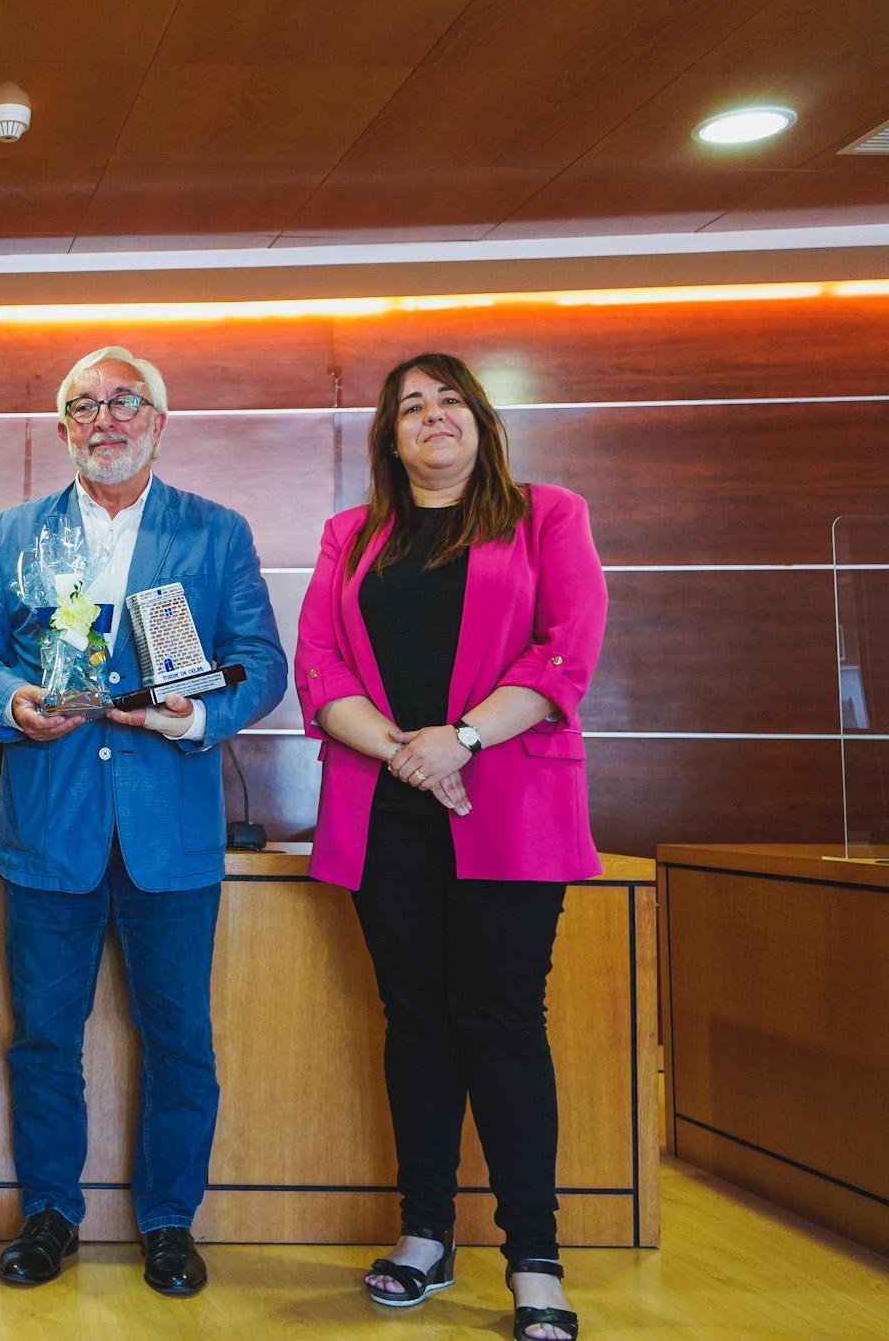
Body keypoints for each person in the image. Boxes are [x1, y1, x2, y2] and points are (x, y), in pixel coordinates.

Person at [0, 345, 286, 1298]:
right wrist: (10, 701)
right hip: (49, 826)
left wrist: (201, 715)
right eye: (83, 406)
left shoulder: (215, 534)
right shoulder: (12, 533)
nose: (105, 420)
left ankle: (170, 1222)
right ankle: (51, 1213)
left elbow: (263, 662)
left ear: (158, 422)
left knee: (179, 1038)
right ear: (62, 430)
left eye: (124, 403)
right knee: (44, 1037)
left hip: (170, 831)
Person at [294, 352, 604, 1341]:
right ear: (387, 436)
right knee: (415, 1020)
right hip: (383, 804)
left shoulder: (546, 513)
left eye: (447, 401)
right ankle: (423, 1229)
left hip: (507, 804)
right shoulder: (350, 535)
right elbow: (317, 662)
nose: (431, 417)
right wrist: (406, 752)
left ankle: (533, 1258)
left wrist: (460, 738)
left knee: (501, 1022)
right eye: (410, 407)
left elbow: (566, 647)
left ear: (478, 419)